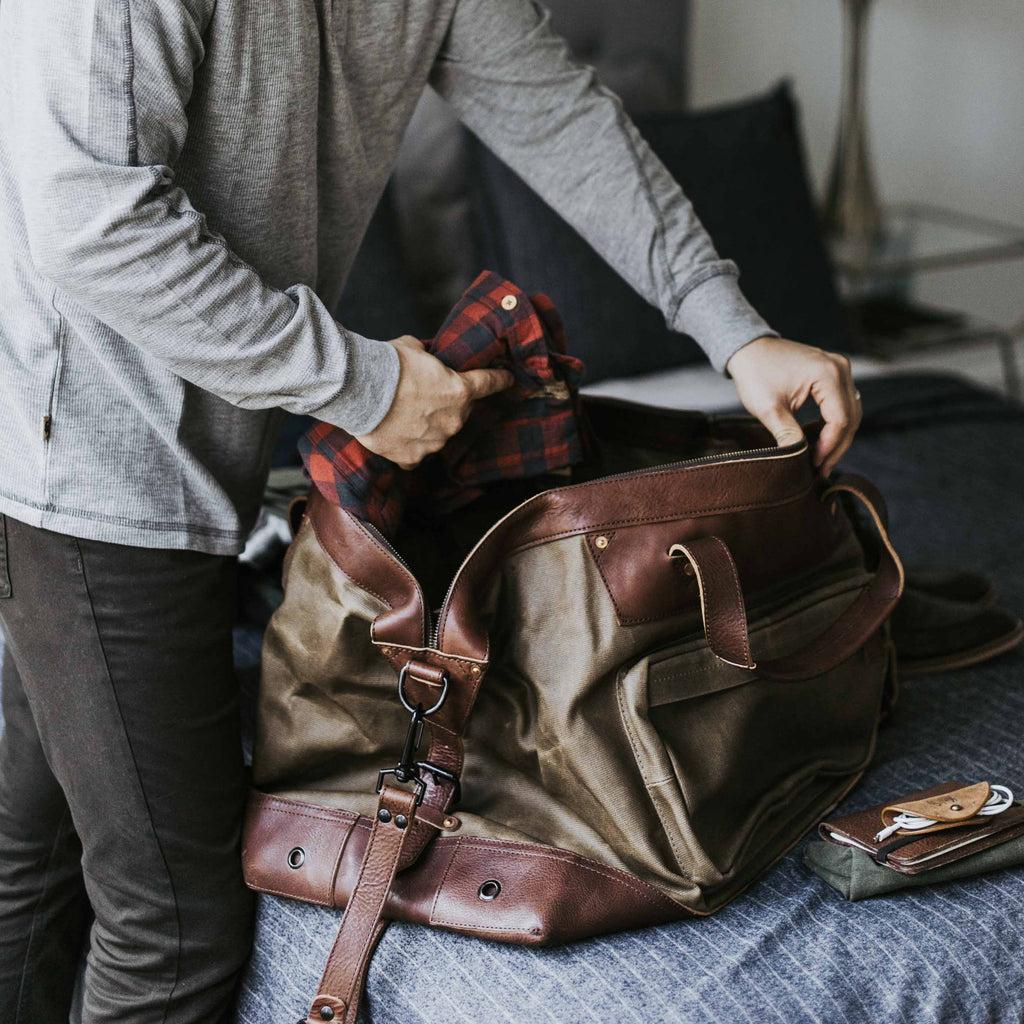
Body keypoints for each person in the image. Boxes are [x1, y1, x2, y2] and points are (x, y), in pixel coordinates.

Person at [0, 0, 862, 1021]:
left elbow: (563, 120)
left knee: (32, 852)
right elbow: (91, 217)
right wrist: (360, 384)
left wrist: (735, 331)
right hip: (86, 469)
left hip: (176, 456)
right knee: (174, 930)